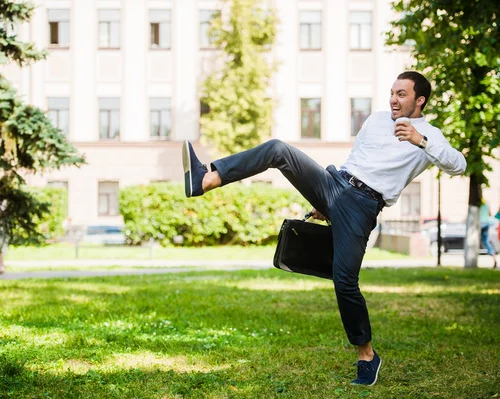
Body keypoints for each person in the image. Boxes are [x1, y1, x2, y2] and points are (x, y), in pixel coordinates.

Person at [182, 71, 466, 385]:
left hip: (362, 206)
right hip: (336, 183)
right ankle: (207, 178)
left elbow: (458, 164)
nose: (393, 100)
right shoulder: (376, 120)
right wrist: (324, 199)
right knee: (278, 149)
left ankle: (367, 356)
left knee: (345, 282)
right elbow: (356, 160)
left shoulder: (429, 135)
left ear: (420, 99)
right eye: (392, 93)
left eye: (401, 94)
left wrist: (420, 140)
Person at [479, 200, 498, 268]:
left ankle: (472, 259)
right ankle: (494, 257)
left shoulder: (477, 202)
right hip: (487, 222)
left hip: (479, 223)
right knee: (486, 241)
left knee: (475, 241)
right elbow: (490, 213)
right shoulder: (487, 203)